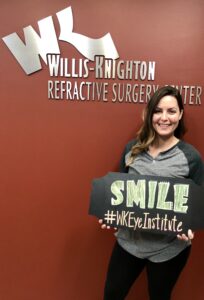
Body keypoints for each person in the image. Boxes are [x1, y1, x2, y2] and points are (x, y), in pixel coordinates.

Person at [99, 86, 204, 300]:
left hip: (169, 249)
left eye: (171, 111)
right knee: (112, 295)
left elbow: (198, 202)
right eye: (158, 111)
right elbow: (122, 193)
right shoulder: (132, 149)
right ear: (149, 114)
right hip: (129, 242)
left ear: (180, 114)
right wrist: (111, 214)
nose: (164, 118)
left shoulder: (190, 157)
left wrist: (190, 226)